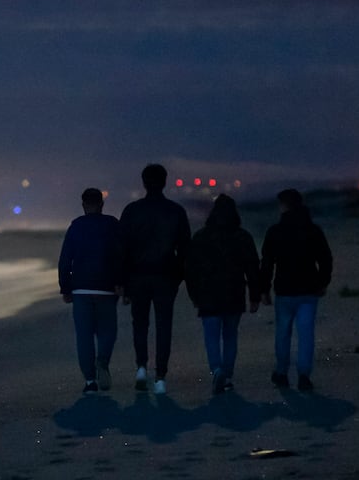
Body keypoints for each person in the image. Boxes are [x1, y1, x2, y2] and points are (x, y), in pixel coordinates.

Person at [117, 163, 191, 394]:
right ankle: (160, 377)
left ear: (143, 182)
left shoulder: (131, 211)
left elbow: (122, 249)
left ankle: (141, 368)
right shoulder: (176, 211)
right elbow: (185, 249)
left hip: (137, 276)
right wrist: (179, 276)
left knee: (140, 324)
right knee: (163, 326)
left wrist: (122, 282)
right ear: (165, 181)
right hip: (165, 276)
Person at [183, 193, 261, 395]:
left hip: (208, 296)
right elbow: (252, 268)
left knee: (211, 336)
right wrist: (255, 296)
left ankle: (216, 369)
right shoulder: (242, 237)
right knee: (230, 336)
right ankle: (227, 375)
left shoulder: (201, 237)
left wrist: (194, 295)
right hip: (234, 294)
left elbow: (190, 270)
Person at [258, 188, 333, 392]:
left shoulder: (275, 231)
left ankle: (282, 373)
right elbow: (325, 259)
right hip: (309, 290)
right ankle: (303, 375)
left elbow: (267, 263)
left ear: (283, 205)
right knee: (306, 333)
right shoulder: (313, 230)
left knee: (283, 333)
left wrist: (263, 290)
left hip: (284, 290)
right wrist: (322, 283)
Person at [57, 187, 124, 393]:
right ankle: (102, 363)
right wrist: (121, 282)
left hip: (81, 289)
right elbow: (121, 255)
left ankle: (89, 382)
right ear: (102, 205)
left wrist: (65, 288)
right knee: (107, 331)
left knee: (84, 336)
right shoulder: (112, 224)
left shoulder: (76, 226)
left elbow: (65, 260)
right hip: (106, 288)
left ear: (83, 205)